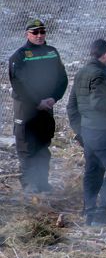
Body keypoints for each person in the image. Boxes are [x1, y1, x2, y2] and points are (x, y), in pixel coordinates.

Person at [8, 18, 68, 193]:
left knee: (43, 146)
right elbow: (18, 84)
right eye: (35, 32)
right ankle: (29, 186)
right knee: (27, 148)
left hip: (47, 109)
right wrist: (37, 102)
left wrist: (53, 98)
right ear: (27, 34)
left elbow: (62, 79)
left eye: (42, 32)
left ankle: (43, 183)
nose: (40, 35)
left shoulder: (52, 52)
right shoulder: (19, 56)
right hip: (27, 110)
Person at [72, 39, 106, 226]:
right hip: (102, 131)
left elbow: (72, 106)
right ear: (105, 55)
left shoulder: (81, 73)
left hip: (87, 131)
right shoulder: (100, 75)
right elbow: (98, 102)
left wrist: (79, 132)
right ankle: (102, 212)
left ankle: (89, 212)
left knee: (92, 171)